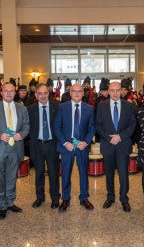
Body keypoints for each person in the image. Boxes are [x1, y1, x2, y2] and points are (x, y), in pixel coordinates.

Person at [0, 82, 30, 220]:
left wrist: (20, 135)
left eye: (11, 91)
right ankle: (2, 206)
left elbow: (27, 127)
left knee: (11, 177)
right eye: (6, 91)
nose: (9, 93)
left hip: (15, 148)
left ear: (15, 93)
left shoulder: (22, 109)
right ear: (1, 93)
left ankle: (10, 202)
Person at [53, 83, 96, 212]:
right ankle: (66, 198)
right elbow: (56, 127)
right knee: (65, 173)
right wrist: (65, 143)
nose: (77, 93)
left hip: (82, 145)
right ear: (69, 93)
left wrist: (86, 142)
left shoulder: (89, 108)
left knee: (83, 172)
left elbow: (92, 128)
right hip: (67, 146)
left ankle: (84, 198)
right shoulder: (62, 107)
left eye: (79, 91)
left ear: (83, 93)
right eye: (74, 91)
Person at [96, 81, 136, 212]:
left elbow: (132, 125)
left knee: (123, 173)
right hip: (108, 145)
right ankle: (110, 197)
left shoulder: (128, 106)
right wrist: (109, 138)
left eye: (117, 90)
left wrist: (120, 136)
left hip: (122, 144)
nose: (115, 93)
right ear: (108, 91)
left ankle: (124, 199)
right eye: (112, 90)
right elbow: (98, 125)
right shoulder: (101, 106)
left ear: (122, 91)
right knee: (109, 173)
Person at [28, 83, 60, 209]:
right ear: (36, 94)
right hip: (37, 145)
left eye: (45, 93)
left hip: (52, 144)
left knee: (53, 173)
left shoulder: (57, 107)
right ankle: (40, 197)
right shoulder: (30, 108)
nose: (43, 96)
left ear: (49, 93)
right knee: (39, 173)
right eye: (40, 93)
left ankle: (55, 198)